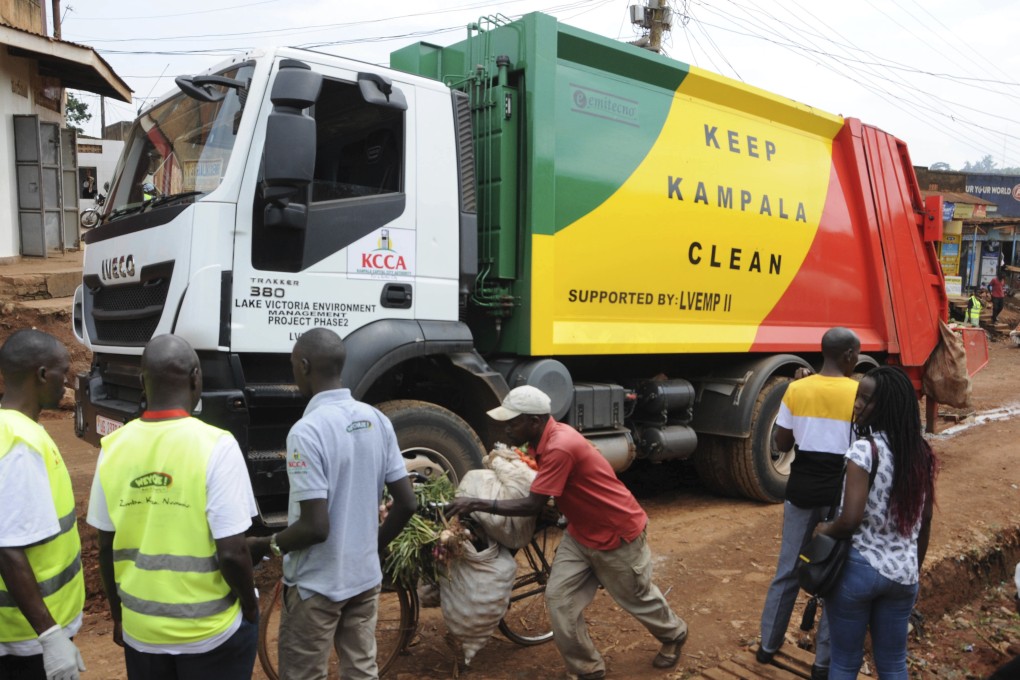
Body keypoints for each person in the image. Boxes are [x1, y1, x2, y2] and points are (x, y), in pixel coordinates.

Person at [447, 385, 687, 680]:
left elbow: (532, 504)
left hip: (616, 534)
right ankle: (587, 669)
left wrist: (476, 502)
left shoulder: (560, 445)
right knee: (559, 599)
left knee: (636, 598)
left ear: (534, 421)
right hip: (580, 533)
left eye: (513, 421)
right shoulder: (541, 440)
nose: (506, 428)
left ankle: (674, 634)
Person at [86, 334, 260, 680]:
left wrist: (120, 618)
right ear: (196, 377)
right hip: (209, 634)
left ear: (142, 382)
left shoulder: (113, 447)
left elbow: (105, 546)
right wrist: (251, 608)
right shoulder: (217, 445)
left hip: (142, 633)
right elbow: (233, 553)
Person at [248, 328, 415, 680]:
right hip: (364, 579)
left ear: (304, 366)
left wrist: (266, 545)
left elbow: (315, 527)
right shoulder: (376, 420)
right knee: (361, 670)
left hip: (317, 586)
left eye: (293, 365)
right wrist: (373, 546)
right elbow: (407, 503)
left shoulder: (307, 431)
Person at [816, 366, 937, 679]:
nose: (857, 405)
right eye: (858, 397)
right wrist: (913, 569)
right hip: (903, 574)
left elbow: (850, 519)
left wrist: (823, 529)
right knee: (894, 663)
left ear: (885, 407)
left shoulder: (865, 451)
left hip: (859, 569)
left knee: (844, 661)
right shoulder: (920, 453)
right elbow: (925, 520)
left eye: (866, 400)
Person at [757, 327, 861, 680]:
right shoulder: (859, 393)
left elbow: (782, 441)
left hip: (801, 489)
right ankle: (823, 663)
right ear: (848, 356)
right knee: (835, 574)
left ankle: (767, 646)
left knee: (787, 569)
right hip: (839, 495)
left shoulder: (796, 389)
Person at [0, 330, 85, 680]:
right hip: (28, 640)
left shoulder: (14, 430)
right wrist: (50, 636)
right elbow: (8, 549)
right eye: (63, 372)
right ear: (40, 374)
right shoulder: (20, 446)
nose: (66, 382)